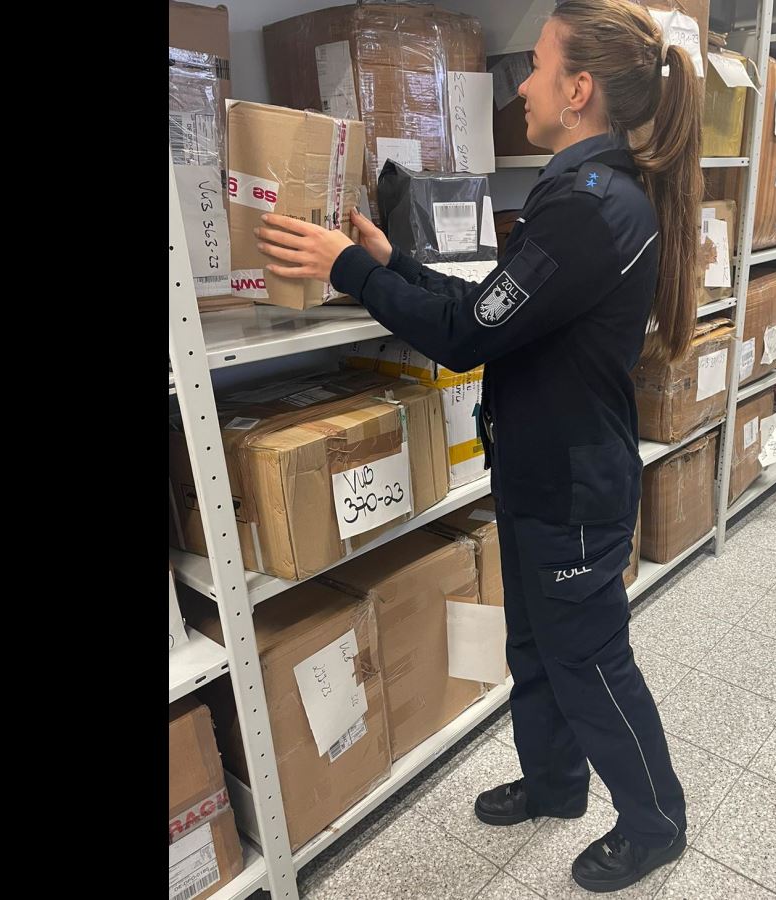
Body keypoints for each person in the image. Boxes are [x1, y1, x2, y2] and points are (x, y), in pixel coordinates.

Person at [252, 0, 699, 890]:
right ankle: (555, 784)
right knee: (533, 645)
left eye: (536, 66)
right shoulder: (584, 195)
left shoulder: (589, 207)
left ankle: (655, 824)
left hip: (573, 490)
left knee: (588, 659)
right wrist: (390, 263)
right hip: (542, 473)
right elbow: (494, 312)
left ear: (578, 90)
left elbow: (463, 337)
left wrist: (347, 268)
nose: (521, 85)